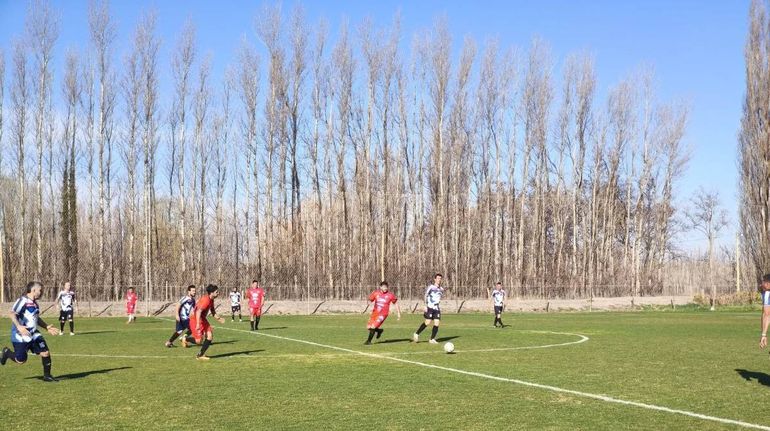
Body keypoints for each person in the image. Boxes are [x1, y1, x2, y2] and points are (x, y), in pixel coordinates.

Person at [1, 281, 61, 382]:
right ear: (33, 290)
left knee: (45, 352)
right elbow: (12, 313)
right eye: (40, 290)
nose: (41, 292)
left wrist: (46, 327)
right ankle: (7, 352)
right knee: (20, 361)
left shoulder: (35, 304)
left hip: (34, 334)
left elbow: (36, 318)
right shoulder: (22, 301)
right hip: (20, 335)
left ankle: (47, 376)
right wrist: (19, 326)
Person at [189, 284, 225, 360]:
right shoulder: (206, 300)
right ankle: (186, 339)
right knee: (199, 341)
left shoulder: (211, 299)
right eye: (216, 292)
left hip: (202, 318)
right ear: (211, 293)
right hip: (195, 319)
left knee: (210, 336)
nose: (218, 293)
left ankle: (200, 355)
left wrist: (218, 318)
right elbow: (198, 311)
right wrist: (198, 324)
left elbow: (213, 311)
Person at [413, 273, 444, 344]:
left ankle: (432, 339)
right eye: (438, 278)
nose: (439, 280)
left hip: (436, 308)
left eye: (440, 278)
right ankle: (416, 333)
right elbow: (425, 295)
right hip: (430, 307)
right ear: (435, 279)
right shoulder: (431, 287)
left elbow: (438, 297)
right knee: (428, 322)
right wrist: (425, 305)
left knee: (437, 323)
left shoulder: (441, 289)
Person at [760, 274, 770, 350]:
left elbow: (766, 315)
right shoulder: (765, 293)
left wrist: (763, 335)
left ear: (767, 283)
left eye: (763, 282)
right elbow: (764, 315)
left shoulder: (767, 293)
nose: (761, 284)